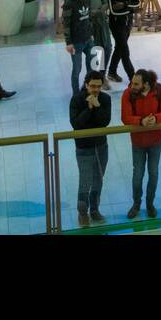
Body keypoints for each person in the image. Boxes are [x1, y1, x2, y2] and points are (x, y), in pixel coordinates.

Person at [121, 69, 161, 219]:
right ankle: (136, 204)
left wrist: (156, 119)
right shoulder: (128, 94)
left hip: (155, 141)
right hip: (137, 142)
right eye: (132, 82)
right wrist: (140, 121)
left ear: (147, 84)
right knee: (137, 175)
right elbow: (125, 117)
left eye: (136, 83)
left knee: (153, 173)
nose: (132, 85)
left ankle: (150, 204)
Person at [69, 70, 111, 226]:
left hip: (101, 146)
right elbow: (77, 124)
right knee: (85, 180)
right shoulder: (76, 100)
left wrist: (98, 106)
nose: (96, 90)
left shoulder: (105, 99)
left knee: (98, 179)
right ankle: (82, 212)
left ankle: (94, 209)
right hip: (83, 147)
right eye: (92, 86)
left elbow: (104, 122)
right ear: (86, 84)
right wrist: (89, 108)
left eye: (98, 86)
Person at [63, 0, 99, 97]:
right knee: (77, 69)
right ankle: (76, 94)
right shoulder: (69, 3)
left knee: (92, 66)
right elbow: (66, 24)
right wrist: (68, 42)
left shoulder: (87, 0)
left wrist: (91, 34)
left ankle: (86, 88)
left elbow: (88, 19)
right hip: (76, 41)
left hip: (88, 39)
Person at [107, 0, 140, 83]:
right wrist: (130, 8)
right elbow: (114, 11)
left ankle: (111, 72)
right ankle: (132, 78)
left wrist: (124, 5)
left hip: (128, 22)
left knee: (119, 48)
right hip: (116, 24)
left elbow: (137, 4)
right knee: (125, 51)